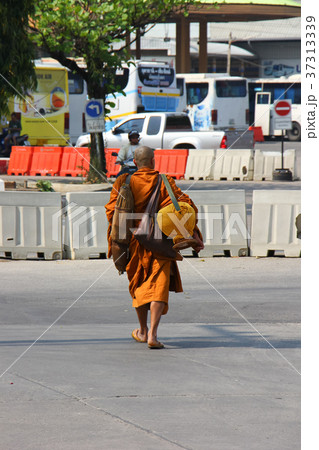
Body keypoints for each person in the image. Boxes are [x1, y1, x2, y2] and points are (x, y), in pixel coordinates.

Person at [105, 146, 204, 349]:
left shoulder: (124, 181)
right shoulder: (165, 182)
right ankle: (152, 334)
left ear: (134, 162)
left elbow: (111, 212)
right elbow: (183, 208)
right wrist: (193, 232)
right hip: (159, 240)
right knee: (158, 285)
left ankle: (141, 330)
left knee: (139, 284)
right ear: (152, 161)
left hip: (134, 240)